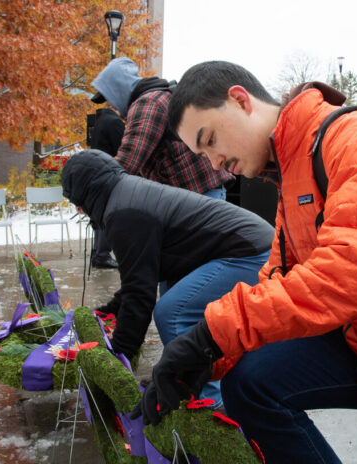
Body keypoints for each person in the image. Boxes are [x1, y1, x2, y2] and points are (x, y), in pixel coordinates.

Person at [128, 61, 357, 464]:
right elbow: (278, 281)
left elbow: (349, 275)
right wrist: (203, 364)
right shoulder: (293, 170)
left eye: (210, 140)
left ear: (241, 101)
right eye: (201, 154)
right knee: (250, 382)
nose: (215, 163)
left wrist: (211, 334)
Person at [61, 149, 273, 408]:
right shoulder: (124, 196)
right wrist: (109, 312)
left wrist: (117, 359)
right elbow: (138, 279)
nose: (79, 209)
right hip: (251, 247)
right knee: (179, 305)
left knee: (173, 312)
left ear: (86, 192)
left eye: (76, 202)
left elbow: (140, 294)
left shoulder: (123, 212)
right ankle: (187, 385)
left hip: (252, 254)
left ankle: (209, 408)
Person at [90, 57, 234, 200]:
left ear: (118, 88)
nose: (110, 104)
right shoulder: (159, 96)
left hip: (195, 197)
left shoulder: (148, 103)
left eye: (109, 97)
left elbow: (128, 160)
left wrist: (91, 191)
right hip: (200, 194)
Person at [88, 103, 124, 269]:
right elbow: (122, 149)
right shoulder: (114, 122)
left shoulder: (100, 121)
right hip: (110, 174)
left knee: (100, 214)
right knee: (106, 215)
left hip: (98, 173)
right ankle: (102, 254)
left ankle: (98, 253)